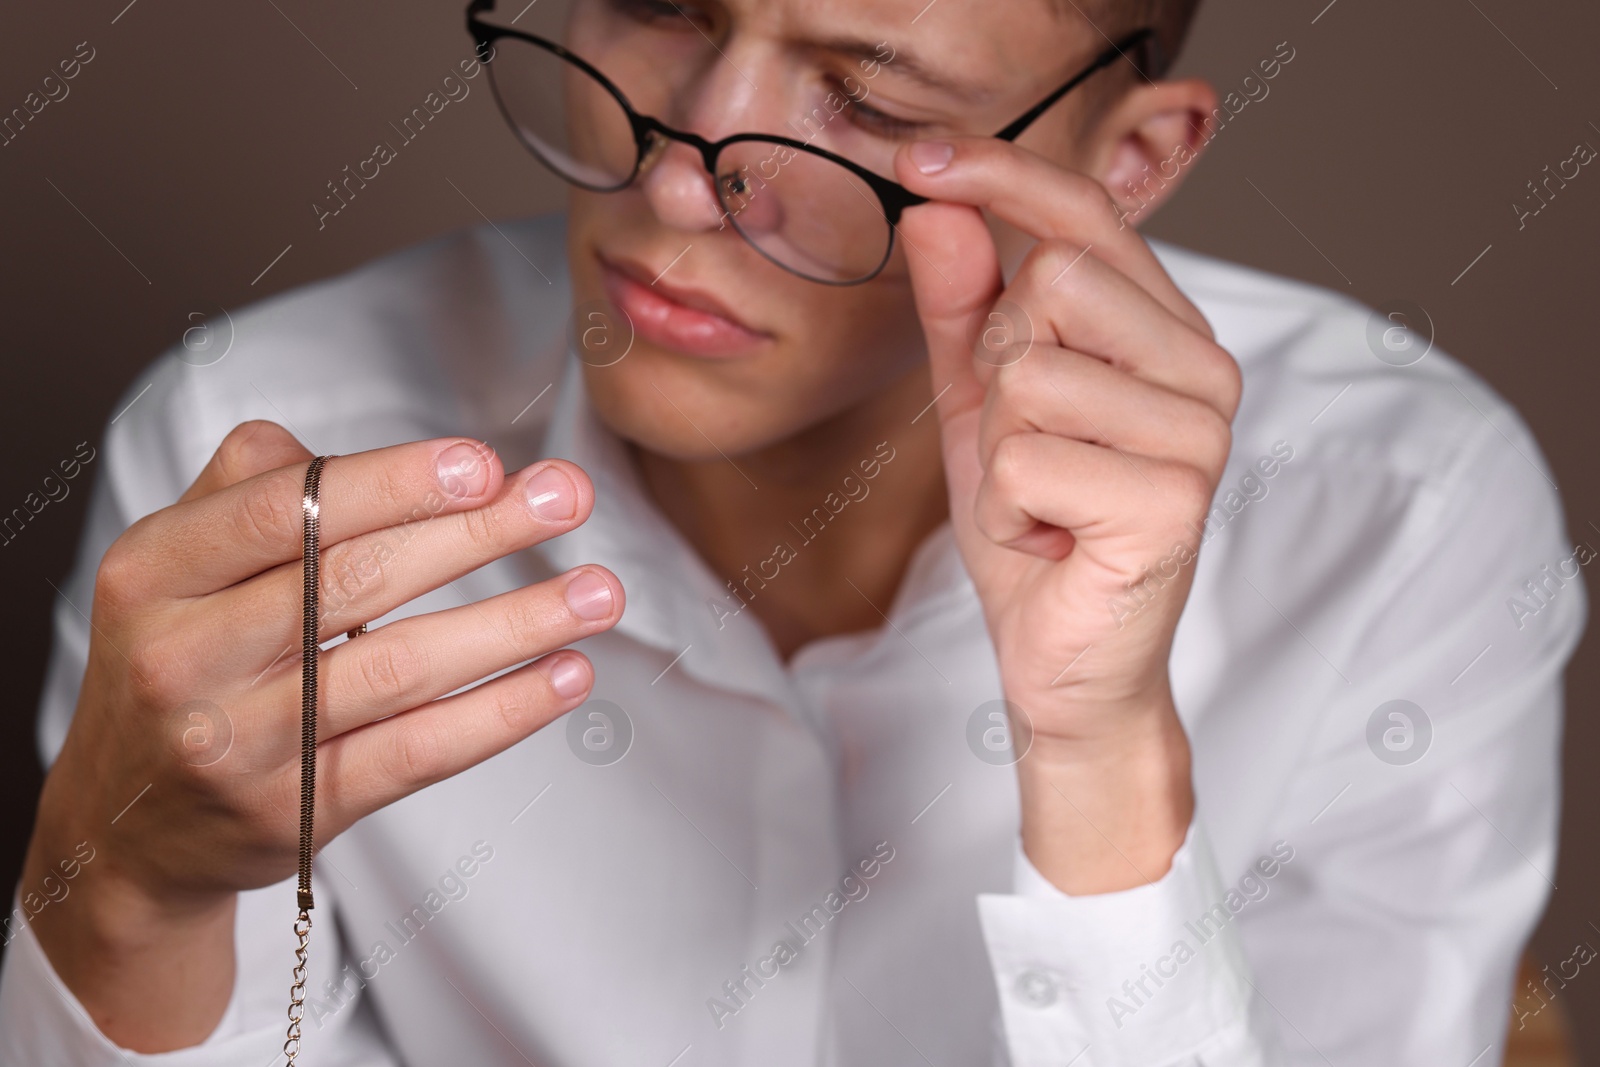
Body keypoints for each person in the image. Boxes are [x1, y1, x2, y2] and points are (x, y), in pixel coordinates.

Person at [0, 0, 1585, 1062]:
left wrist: (1102, 766)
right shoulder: (263, 448)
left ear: (1129, 161)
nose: (681, 180)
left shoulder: (1397, 510)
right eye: (661, 1)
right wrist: (121, 891)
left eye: (867, 99)